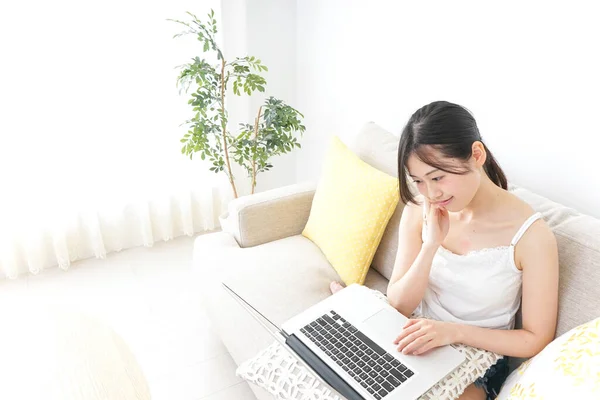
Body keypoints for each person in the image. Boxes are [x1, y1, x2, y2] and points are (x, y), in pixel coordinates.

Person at [329, 101, 559, 400]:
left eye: (438, 177)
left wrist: (452, 332)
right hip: (413, 336)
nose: (432, 193)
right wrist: (430, 245)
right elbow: (398, 304)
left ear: (477, 155)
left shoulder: (532, 237)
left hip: (481, 356)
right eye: (419, 181)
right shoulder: (420, 208)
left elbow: (535, 339)